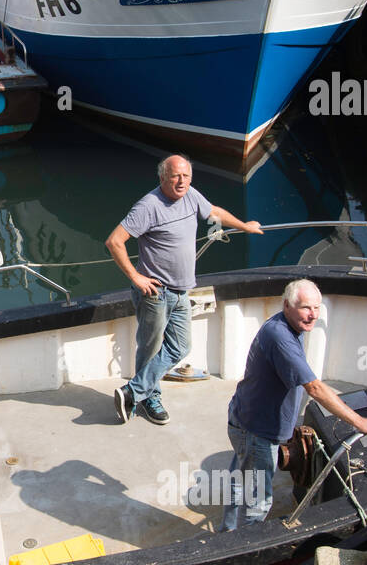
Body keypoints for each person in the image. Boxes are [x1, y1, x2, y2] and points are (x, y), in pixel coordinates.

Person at [106, 154, 261, 425]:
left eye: (186, 176)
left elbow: (213, 212)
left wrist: (244, 226)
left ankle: (133, 392)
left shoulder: (190, 195)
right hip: (155, 292)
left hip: (182, 290)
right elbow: (114, 241)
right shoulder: (148, 206)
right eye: (175, 176)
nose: (181, 181)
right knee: (150, 348)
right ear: (163, 177)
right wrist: (136, 277)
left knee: (180, 346)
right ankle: (148, 399)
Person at [221, 278, 367, 530]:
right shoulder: (280, 337)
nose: (312, 315)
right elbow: (314, 388)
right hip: (256, 432)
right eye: (306, 308)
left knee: (240, 482)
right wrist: (359, 421)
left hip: (245, 418)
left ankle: (228, 531)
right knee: (258, 501)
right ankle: (245, 544)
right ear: (287, 305)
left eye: (317, 308)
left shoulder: (286, 326)